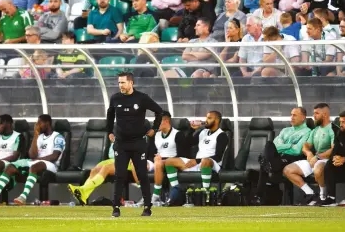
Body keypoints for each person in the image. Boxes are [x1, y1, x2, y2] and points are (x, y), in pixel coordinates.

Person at [106, 71, 164, 217]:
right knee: (120, 175)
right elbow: (110, 115)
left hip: (138, 143)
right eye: (119, 82)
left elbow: (159, 111)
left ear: (131, 83)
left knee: (142, 175)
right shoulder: (115, 98)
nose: (120, 85)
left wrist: (154, 129)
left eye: (123, 82)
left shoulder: (142, 98)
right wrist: (109, 132)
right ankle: (116, 208)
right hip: (121, 144)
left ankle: (147, 207)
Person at [0, 114, 65, 205]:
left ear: (47, 123)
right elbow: (31, 155)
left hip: (52, 165)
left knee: (35, 166)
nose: (37, 125)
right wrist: (36, 135)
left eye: (39, 122)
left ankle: (23, 197)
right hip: (35, 162)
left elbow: (54, 156)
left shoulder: (58, 137)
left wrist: (37, 159)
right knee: (10, 166)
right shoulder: (40, 137)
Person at [67, 127, 150, 206]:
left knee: (106, 168)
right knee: (94, 170)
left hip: (128, 160)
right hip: (113, 159)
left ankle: (83, 190)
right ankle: (84, 195)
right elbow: (112, 152)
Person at [164, 111, 229, 204]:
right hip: (198, 163)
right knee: (169, 161)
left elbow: (218, 157)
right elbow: (187, 144)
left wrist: (198, 160)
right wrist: (192, 130)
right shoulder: (203, 132)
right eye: (206, 118)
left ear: (217, 120)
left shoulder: (222, 135)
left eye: (209, 118)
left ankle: (205, 193)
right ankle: (176, 191)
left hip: (212, 164)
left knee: (206, 160)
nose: (206, 120)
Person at [251, 107, 311, 205]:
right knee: (269, 144)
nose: (291, 117)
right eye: (291, 115)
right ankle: (270, 164)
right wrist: (290, 145)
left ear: (303, 117)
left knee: (264, 163)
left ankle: (258, 196)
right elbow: (275, 146)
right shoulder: (285, 130)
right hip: (279, 158)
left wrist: (282, 145)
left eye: (294, 115)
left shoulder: (307, 132)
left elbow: (297, 150)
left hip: (293, 159)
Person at [283, 103, 335, 205]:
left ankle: (323, 196)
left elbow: (334, 149)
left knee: (318, 168)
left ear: (324, 114)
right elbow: (305, 146)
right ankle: (311, 194)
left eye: (316, 113)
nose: (314, 116)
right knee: (288, 170)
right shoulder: (315, 130)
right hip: (315, 159)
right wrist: (309, 154)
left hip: (328, 160)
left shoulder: (333, 129)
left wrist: (317, 156)